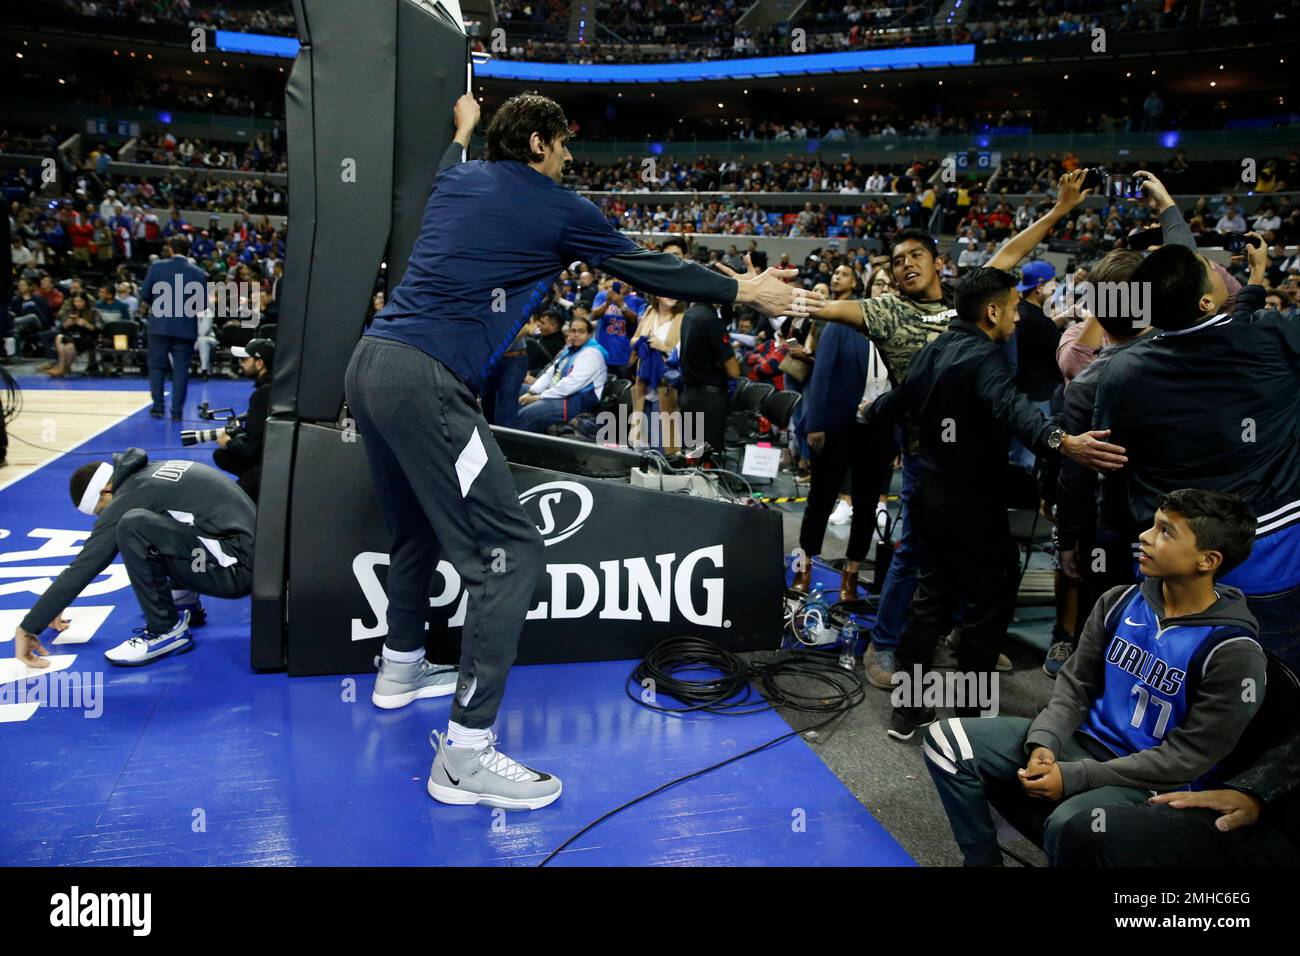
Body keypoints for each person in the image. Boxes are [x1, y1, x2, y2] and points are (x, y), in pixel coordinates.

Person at [344, 92, 817, 811]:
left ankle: (399, 670)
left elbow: (452, 156)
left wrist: (465, 131)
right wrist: (743, 287)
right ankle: (465, 755)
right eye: (563, 143)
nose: (569, 155)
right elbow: (648, 268)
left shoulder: (458, 178)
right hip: (423, 381)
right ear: (537, 144)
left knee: (413, 528)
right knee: (511, 555)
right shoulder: (561, 207)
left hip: (371, 367)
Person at [812, 169, 1100, 690]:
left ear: (937, 263)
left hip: (982, 457)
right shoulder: (884, 310)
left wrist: (1060, 210)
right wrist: (750, 291)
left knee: (980, 550)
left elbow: (1009, 256)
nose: (904, 267)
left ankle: (969, 640)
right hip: (928, 458)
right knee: (916, 554)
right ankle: (885, 642)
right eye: (896, 261)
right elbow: (823, 307)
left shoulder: (966, 303)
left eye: (914, 257)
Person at [923, 489, 1267, 866]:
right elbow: (1075, 686)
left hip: (1150, 781)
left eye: (1166, 532)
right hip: (1082, 743)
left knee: (1075, 826)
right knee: (944, 741)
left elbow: (1185, 759)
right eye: (1152, 524)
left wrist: (1076, 777)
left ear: (1208, 560)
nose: (1145, 537)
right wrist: (1044, 742)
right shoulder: (1120, 600)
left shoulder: (1233, 652)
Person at [880, 267, 1128, 741]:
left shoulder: (934, 348)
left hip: (929, 493)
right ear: (992, 310)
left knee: (930, 600)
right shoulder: (984, 357)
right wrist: (1065, 442)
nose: (1018, 316)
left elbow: (896, 401)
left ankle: (909, 714)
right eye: (1014, 307)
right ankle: (971, 724)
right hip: (971, 500)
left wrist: (868, 414)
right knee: (987, 602)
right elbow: (1014, 410)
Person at [1096, 236, 1300, 669]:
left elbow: (1111, 468)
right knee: (1272, 686)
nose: (1214, 263)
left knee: (1175, 683)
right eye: (1208, 266)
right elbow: (1237, 337)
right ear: (1207, 301)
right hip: (1269, 554)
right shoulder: (1272, 336)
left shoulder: (1121, 372)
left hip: (1168, 562)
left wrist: (1256, 281)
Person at [12, 449, 256, 668]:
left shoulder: (130, 496)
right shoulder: (148, 473)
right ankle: (183, 600)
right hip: (247, 555)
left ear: (105, 490)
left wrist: (28, 627)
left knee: (133, 526)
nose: (106, 516)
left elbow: (88, 563)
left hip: (238, 570)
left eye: (102, 510)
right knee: (161, 525)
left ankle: (165, 630)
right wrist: (56, 603)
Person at [141, 235, 206, 420]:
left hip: (159, 326)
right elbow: (201, 306)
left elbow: (145, 295)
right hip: (185, 328)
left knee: (157, 368)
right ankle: (177, 413)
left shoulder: (157, 267)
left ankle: (158, 408)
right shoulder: (198, 273)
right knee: (181, 371)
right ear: (189, 251)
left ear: (170, 249)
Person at [516, 315, 607, 433]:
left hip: (574, 403)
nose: (576, 334)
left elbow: (569, 386)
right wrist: (532, 391)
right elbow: (550, 374)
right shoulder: (570, 350)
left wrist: (538, 397)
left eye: (581, 331)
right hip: (558, 394)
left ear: (589, 335)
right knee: (516, 390)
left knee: (525, 415)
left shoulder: (592, 355)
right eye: (573, 331)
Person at [212, 337, 272, 503]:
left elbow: (250, 447)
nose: (241, 363)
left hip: (265, 464)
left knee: (227, 503)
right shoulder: (275, 386)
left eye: (245, 359)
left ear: (259, 363)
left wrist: (229, 442)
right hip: (272, 457)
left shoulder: (263, 394)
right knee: (221, 455)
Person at [627, 290, 683, 452]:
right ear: (657, 295)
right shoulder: (650, 312)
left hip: (667, 383)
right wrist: (642, 342)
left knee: (663, 440)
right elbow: (633, 340)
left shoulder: (682, 318)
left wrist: (662, 347)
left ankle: (662, 471)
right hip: (644, 381)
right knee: (643, 438)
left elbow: (686, 352)